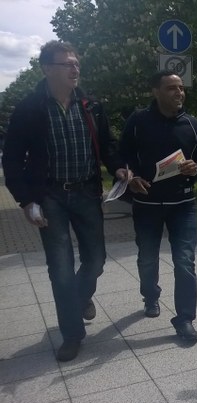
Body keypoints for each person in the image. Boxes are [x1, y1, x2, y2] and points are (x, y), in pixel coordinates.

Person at [1, 41, 130, 361]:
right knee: (60, 268)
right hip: (50, 196)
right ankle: (72, 335)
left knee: (96, 260)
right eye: (66, 64)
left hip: (87, 192)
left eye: (76, 63)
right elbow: (12, 158)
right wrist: (26, 201)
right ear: (47, 69)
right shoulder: (30, 108)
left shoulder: (90, 105)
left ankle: (79, 297)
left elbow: (108, 144)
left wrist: (118, 167)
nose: (75, 69)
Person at [119, 71, 197, 341]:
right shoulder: (138, 121)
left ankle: (185, 319)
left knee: (184, 260)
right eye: (171, 88)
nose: (179, 92)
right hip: (146, 203)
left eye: (181, 88)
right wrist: (130, 177)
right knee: (147, 257)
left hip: (183, 204)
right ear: (155, 91)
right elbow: (122, 156)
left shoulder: (192, 125)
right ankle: (150, 296)